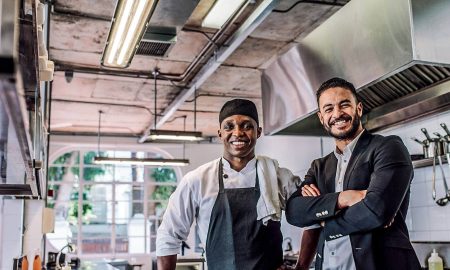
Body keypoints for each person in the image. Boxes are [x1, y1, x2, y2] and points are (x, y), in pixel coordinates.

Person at [285, 77, 421, 270]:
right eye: (329, 108)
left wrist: (324, 221)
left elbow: (376, 210)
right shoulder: (319, 167)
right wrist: (343, 199)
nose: (337, 114)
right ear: (321, 117)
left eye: (344, 105)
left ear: (358, 108)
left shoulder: (387, 147)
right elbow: (294, 212)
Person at [156, 99, 306, 270]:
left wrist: (301, 267)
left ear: (258, 132)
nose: (238, 132)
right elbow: (168, 237)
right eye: (229, 126)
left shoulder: (279, 176)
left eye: (246, 126)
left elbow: (312, 219)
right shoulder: (197, 181)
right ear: (220, 133)